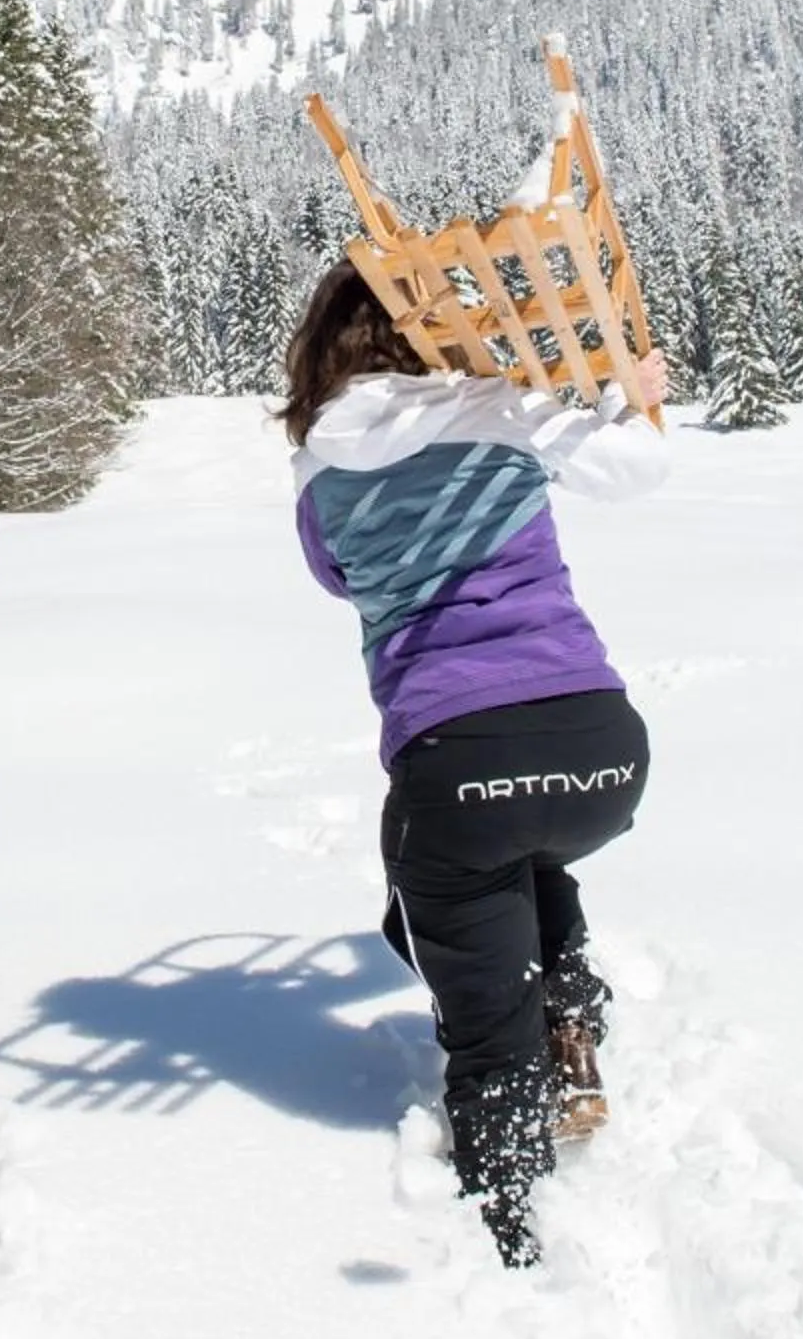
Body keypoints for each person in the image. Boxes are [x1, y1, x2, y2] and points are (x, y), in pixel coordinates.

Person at [280, 261, 668, 1267]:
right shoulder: (502, 405)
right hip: (600, 745)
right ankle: (569, 1023)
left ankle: (510, 1237)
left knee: (446, 906)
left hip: (456, 754)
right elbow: (636, 469)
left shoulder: (322, 460)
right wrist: (637, 401)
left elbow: (330, 572)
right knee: (517, 856)